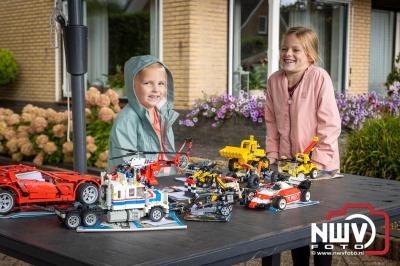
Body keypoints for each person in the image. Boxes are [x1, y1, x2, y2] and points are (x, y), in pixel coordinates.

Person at [265, 26, 341, 266]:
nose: (288, 53)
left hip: (321, 169)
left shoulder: (320, 78)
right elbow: (271, 123)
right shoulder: (274, 82)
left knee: (321, 231)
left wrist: (315, 164)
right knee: (297, 223)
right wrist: (272, 157)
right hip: (289, 168)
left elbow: (329, 125)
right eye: (284, 48)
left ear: (310, 56)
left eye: (296, 49)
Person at [108, 55, 179, 170]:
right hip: (137, 183)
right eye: (148, 83)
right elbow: (126, 159)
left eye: (161, 84)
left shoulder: (164, 116)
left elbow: (168, 153)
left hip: (163, 180)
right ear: (133, 87)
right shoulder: (127, 119)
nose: (156, 89)